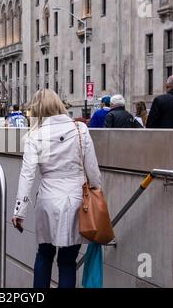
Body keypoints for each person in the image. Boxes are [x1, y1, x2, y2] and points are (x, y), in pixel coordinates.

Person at [11, 89, 102, 288]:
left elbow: (27, 175)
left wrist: (19, 210)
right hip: (77, 197)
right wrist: (98, 194)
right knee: (68, 261)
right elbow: (92, 169)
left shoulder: (35, 135)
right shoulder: (80, 129)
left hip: (48, 198)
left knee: (44, 253)